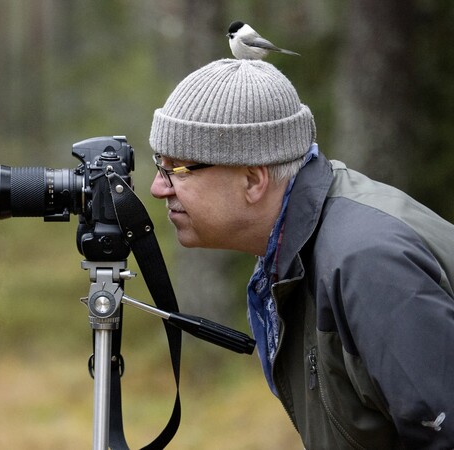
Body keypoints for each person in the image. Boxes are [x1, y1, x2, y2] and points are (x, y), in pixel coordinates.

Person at [148, 58, 454, 449]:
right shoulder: (298, 249)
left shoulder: (366, 262)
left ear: (253, 180)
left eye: (178, 168)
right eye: (161, 164)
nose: (159, 188)